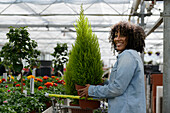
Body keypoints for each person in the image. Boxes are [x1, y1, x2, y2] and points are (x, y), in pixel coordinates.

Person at [78, 21, 146, 113]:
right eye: (115, 35)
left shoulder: (128, 55)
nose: (117, 39)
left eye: (122, 35)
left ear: (131, 38)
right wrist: (104, 82)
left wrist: (91, 90)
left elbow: (117, 88)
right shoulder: (133, 55)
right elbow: (124, 84)